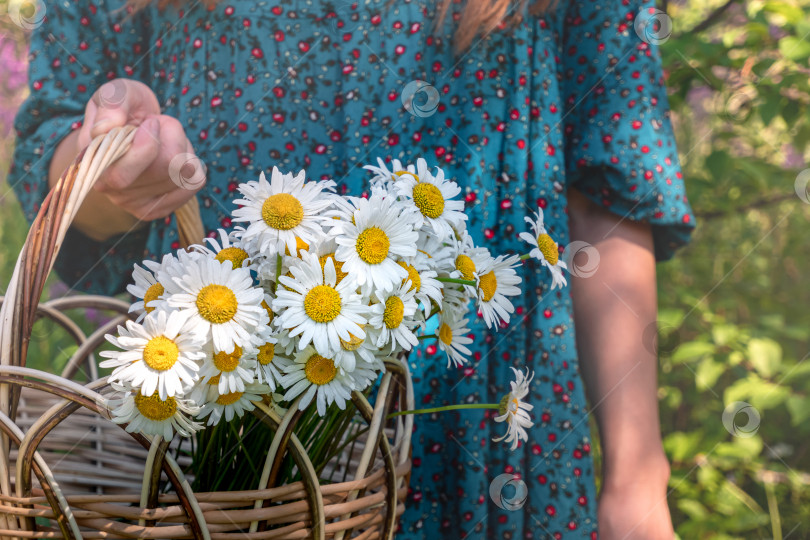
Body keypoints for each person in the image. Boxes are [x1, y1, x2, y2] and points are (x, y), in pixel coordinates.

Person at [10, 0, 695, 537]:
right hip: (230, 434)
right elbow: (56, 162)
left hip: (487, 428)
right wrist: (114, 163)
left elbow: (609, 183)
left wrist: (636, 477)